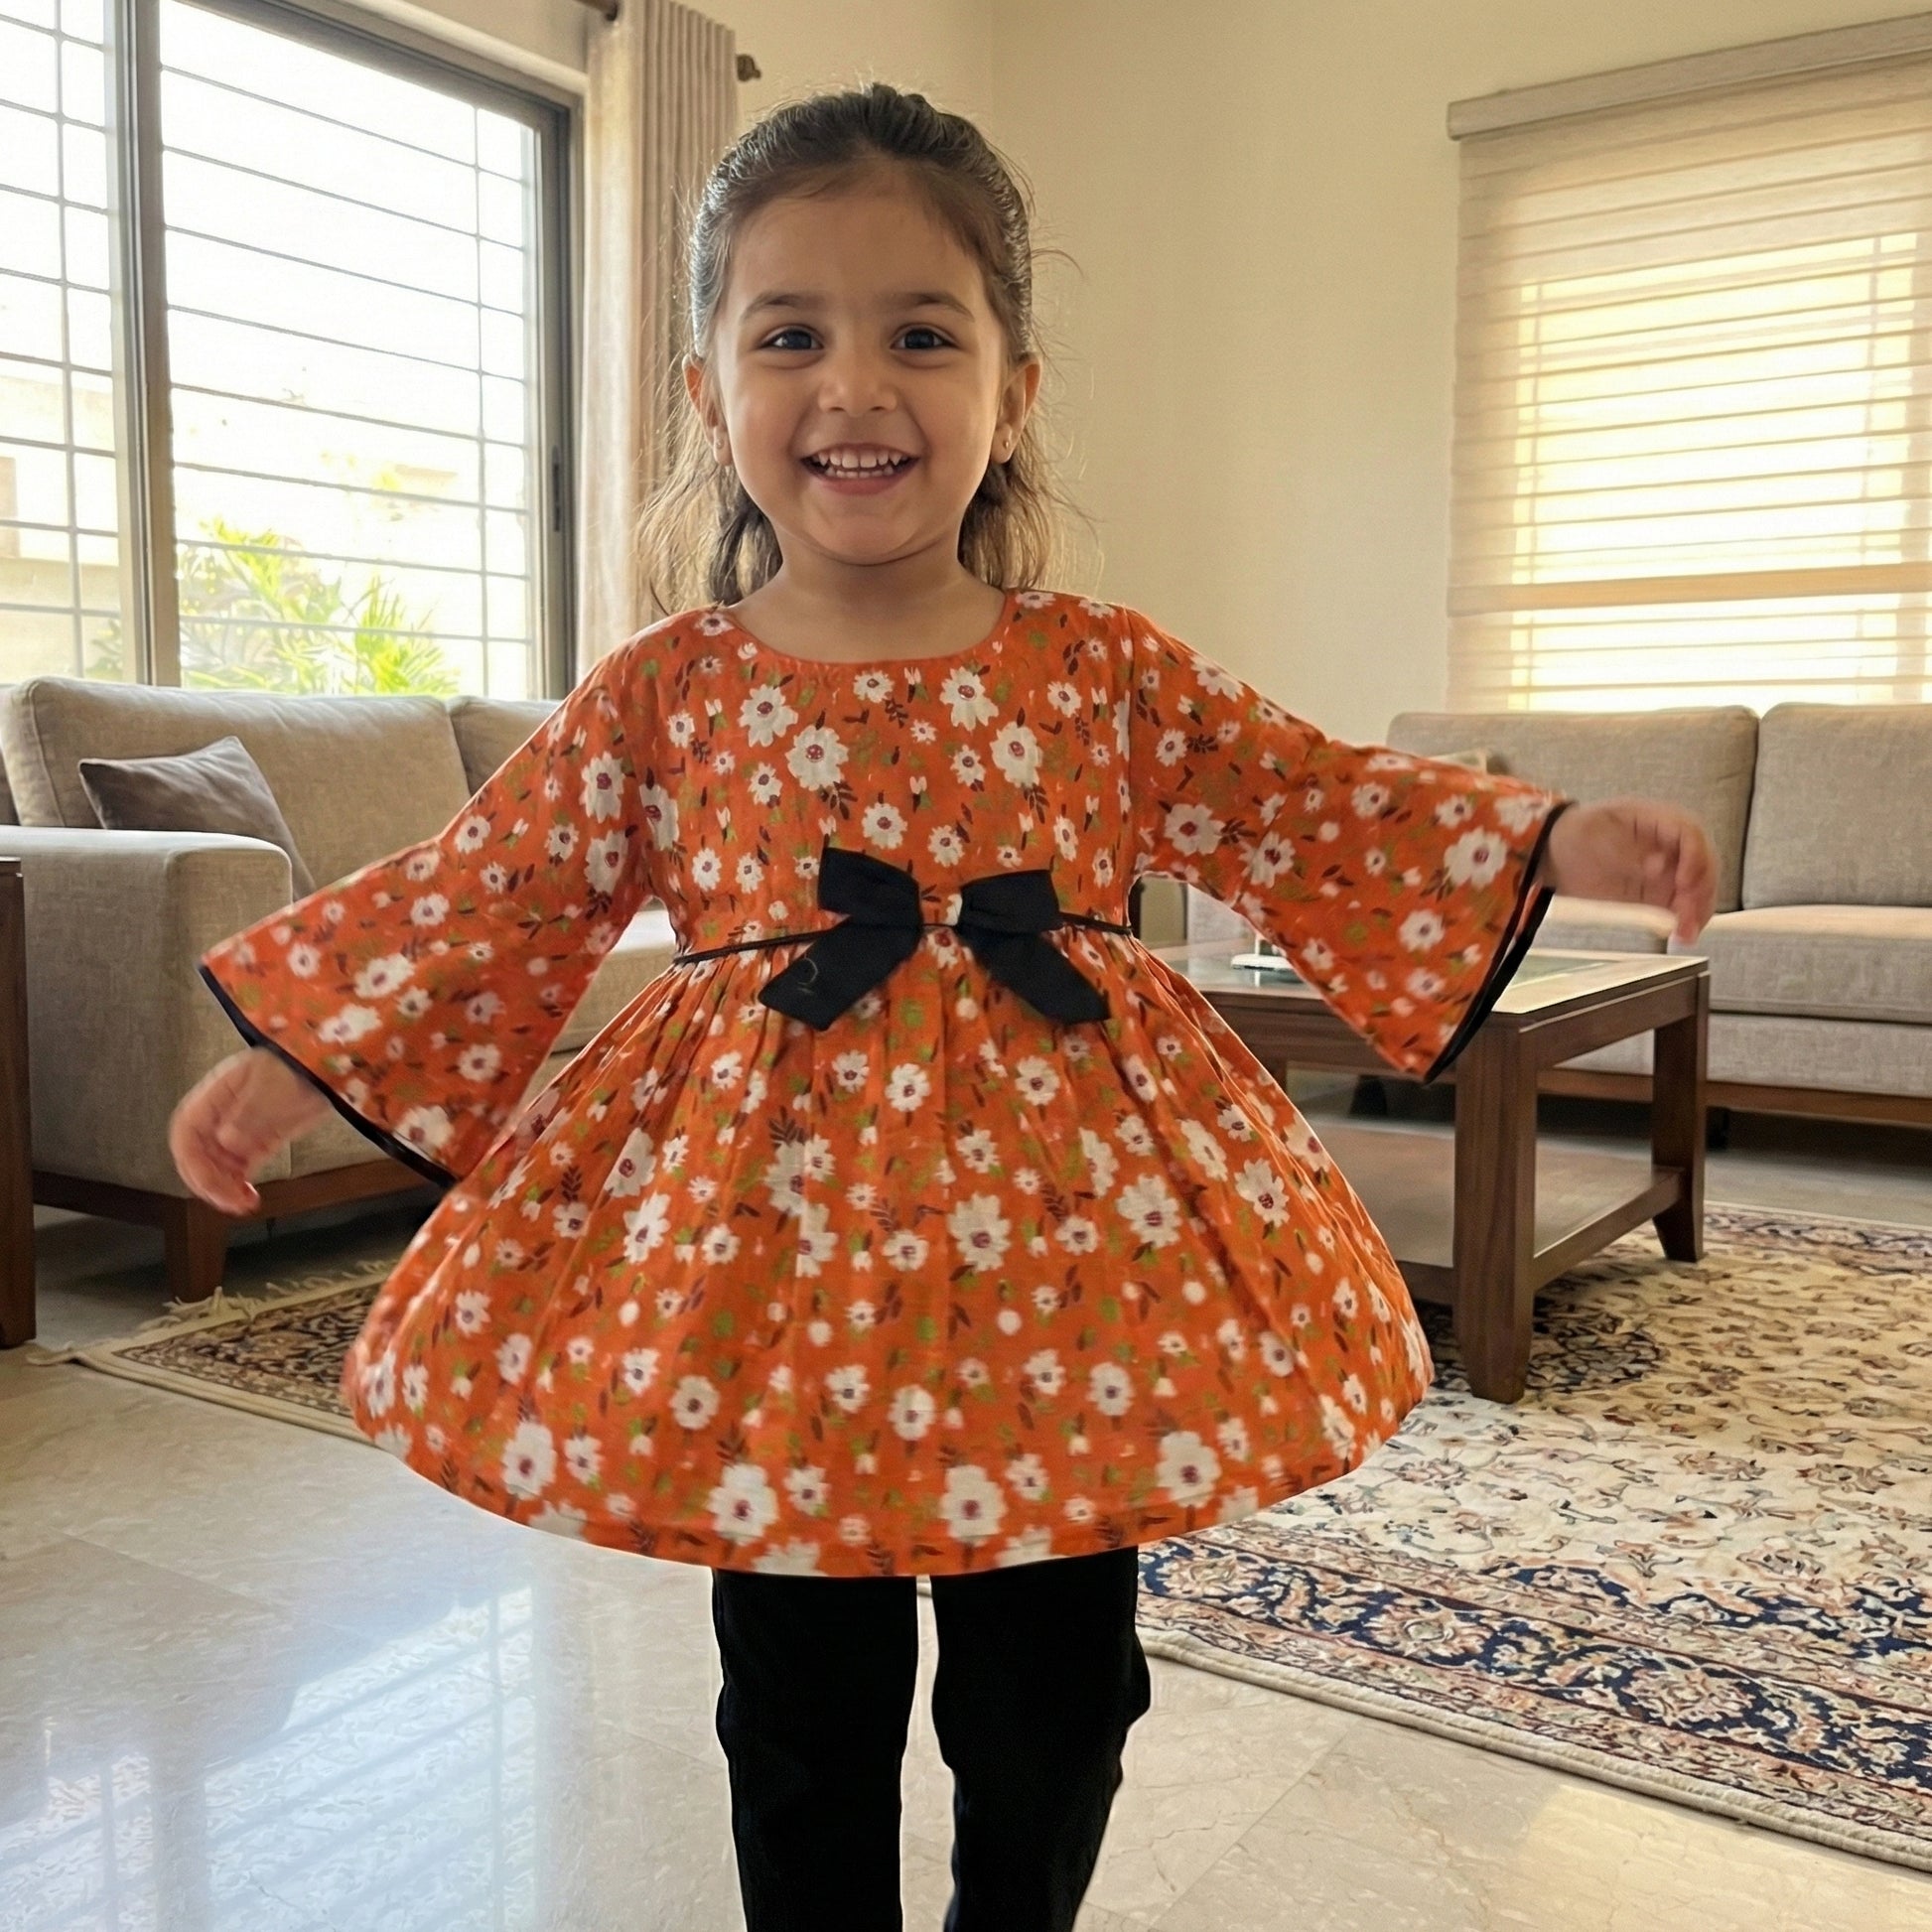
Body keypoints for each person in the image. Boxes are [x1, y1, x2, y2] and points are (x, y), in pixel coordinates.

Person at [170, 83, 1715, 1932]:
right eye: (789, 336)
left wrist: (1542, 834)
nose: (855, 387)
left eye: (919, 333)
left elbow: (1304, 801)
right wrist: (294, 1061)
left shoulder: (1101, 668)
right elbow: (496, 892)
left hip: (1067, 1283)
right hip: (773, 1297)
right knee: (800, 1714)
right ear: (706, 392)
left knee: (1054, 1697)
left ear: (1013, 386)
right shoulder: (666, 691)